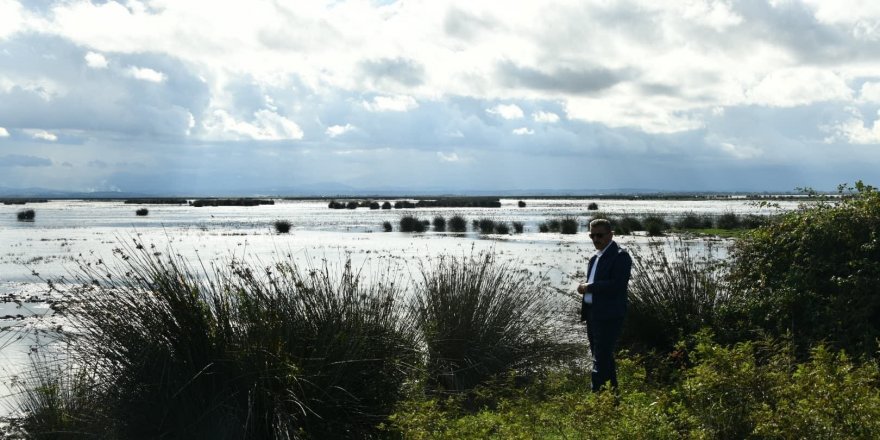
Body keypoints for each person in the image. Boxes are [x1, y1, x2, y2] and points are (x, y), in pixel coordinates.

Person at [578, 218, 632, 392]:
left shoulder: (620, 256)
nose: (595, 239)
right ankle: (612, 398)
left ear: (610, 234)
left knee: (599, 361)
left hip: (609, 316)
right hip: (593, 315)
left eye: (599, 235)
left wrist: (589, 287)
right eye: (592, 235)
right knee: (604, 359)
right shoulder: (595, 258)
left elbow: (617, 284)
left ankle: (597, 402)